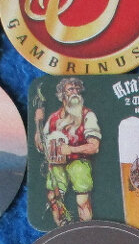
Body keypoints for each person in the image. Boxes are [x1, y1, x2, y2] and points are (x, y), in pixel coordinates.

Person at [33, 77, 100, 224]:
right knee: (53, 197)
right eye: (71, 89)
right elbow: (41, 147)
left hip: (79, 162)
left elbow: (94, 146)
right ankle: (62, 227)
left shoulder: (87, 115)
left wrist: (71, 149)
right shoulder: (53, 118)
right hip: (56, 164)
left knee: (82, 199)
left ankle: (85, 228)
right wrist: (38, 123)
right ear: (62, 94)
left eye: (77, 89)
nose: (75, 92)